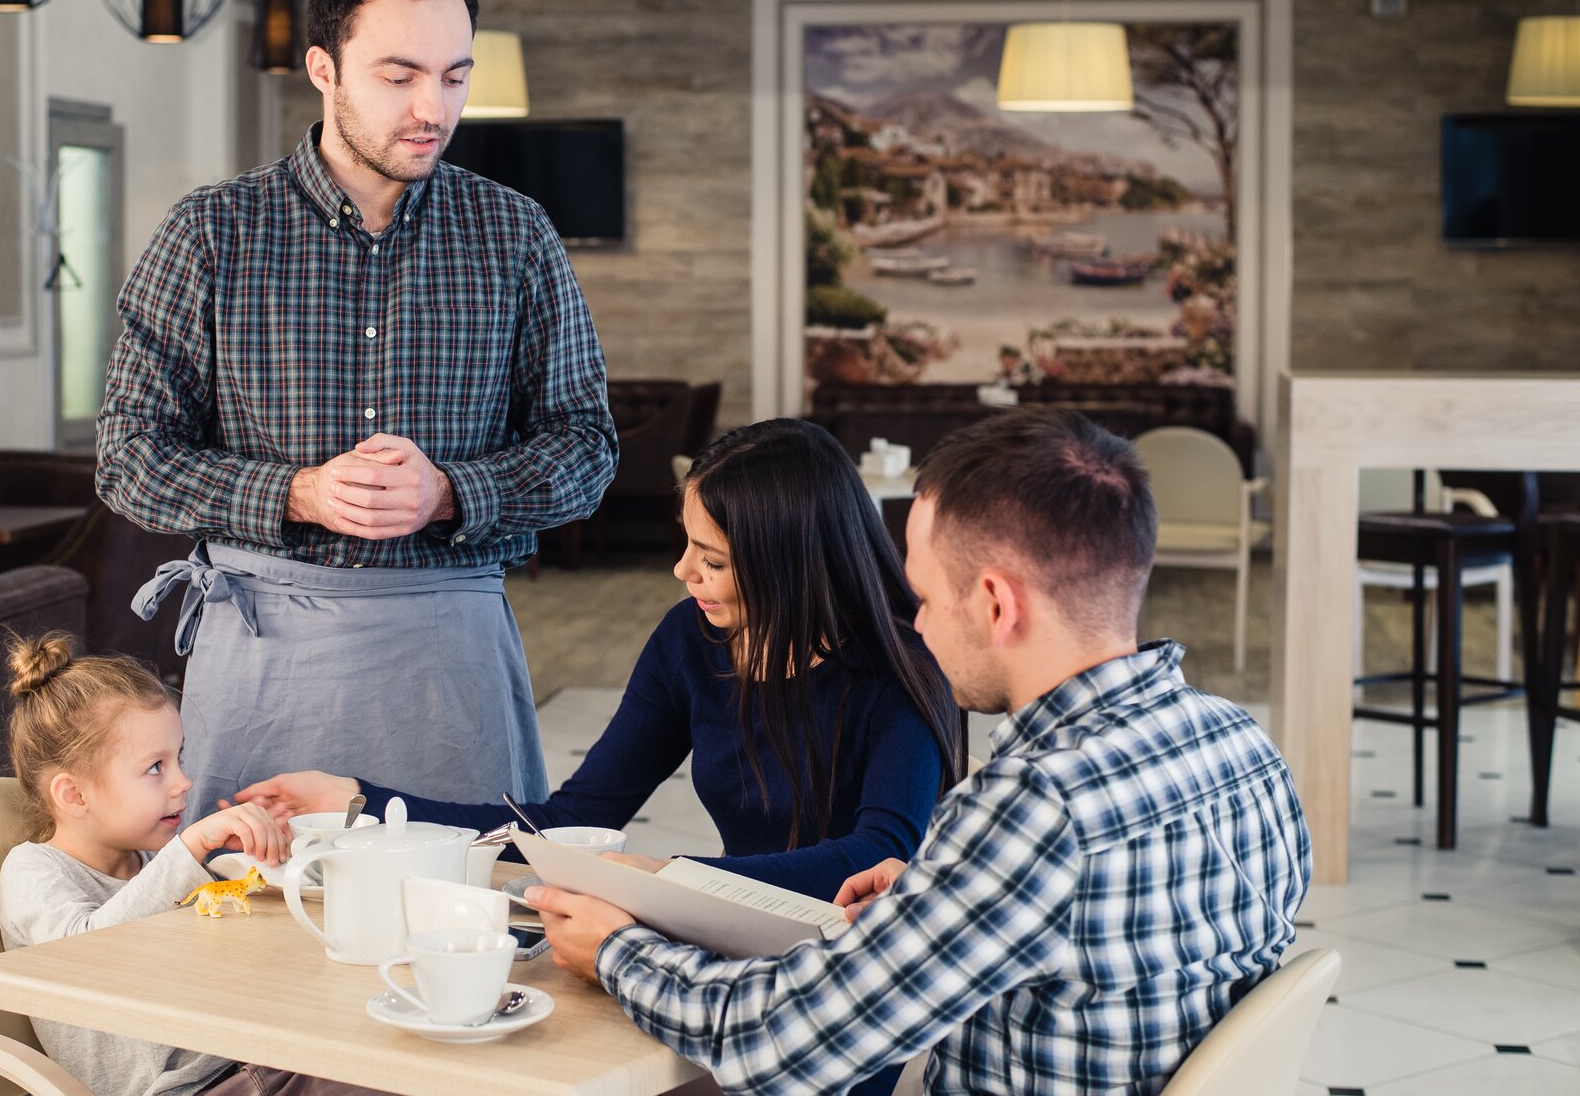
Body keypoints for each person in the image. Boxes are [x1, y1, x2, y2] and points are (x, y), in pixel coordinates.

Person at [526, 409, 1310, 1096]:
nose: (919, 629)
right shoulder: (1242, 746)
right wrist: (937, 893)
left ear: (997, 603)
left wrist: (618, 950)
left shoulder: (1035, 809)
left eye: (927, 599)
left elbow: (776, 1047)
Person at [97, 0, 618, 822]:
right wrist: (296, 492)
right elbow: (127, 457)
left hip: (453, 663)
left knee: (471, 919)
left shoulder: (516, 234)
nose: (434, 107)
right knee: (242, 933)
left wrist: (453, 492)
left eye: (455, 75)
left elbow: (588, 448)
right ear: (323, 69)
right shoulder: (211, 233)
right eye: (399, 74)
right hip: (264, 655)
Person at [233, 419, 965, 903]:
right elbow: (575, 816)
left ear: (790, 564)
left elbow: (871, 860)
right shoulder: (691, 641)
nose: (683, 573)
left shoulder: (903, 669)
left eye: (711, 559)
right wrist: (360, 805)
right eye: (685, 546)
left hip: (859, 950)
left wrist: (658, 881)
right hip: (727, 924)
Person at [0, 631, 377, 1096]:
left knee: (372, 1037)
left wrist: (263, 870)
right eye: (156, 767)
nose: (183, 782)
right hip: (181, 1088)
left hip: (239, 1063)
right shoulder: (33, 869)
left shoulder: (151, 861)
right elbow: (83, 953)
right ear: (74, 794)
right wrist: (192, 846)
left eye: (179, 758)